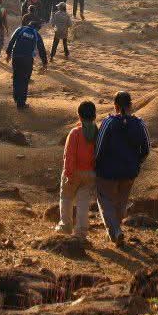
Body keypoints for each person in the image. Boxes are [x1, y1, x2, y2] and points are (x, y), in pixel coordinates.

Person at [94, 91, 151, 246]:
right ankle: (117, 228)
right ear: (130, 105)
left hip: (107, 171)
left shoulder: (108, 122)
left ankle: (115, 231)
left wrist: (96, 163)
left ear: (115, 106)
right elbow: (146, 149)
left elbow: (99, 147)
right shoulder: (139, 123)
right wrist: (137, 163)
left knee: (105, 200)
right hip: (129, 171)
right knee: (121, 201)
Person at [55, 101, 98, 239]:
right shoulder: (98, 132)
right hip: (90, 173)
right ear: (94, 116)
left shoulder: (75, 133)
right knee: (83, 202)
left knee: (66, 198)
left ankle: (65, 226)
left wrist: (68, 173)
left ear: (79, 116)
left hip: (74, 171)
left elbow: (69, 154)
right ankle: (81, 231)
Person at [6, 19, 48, 109]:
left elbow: (12, 41)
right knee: (24, 80)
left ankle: (16, 97)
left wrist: (8, 54)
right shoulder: (36, 34)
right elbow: (41, 49)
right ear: (37, 28)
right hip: (27, 59)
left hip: (16, 57)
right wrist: (45, 63)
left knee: (16, 77)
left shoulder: (20, 29)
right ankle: (21, 103)